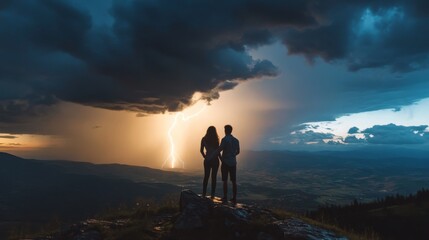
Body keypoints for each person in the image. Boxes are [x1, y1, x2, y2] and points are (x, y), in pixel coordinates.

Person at [219, 124, 240, 204]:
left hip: (225, 162)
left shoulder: (224, 140)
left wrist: (221, 159)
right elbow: (238, 151)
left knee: (225, 180)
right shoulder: (236, 140)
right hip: (233, 162)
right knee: (234, 181)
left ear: (225, 131)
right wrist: (232, 155)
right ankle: (234, 198)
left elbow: (220, 149)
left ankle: (225, 197)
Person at [200, 126, 220, 198]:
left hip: (207, 160)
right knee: (214, 178)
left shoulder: (204, 139)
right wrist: (221, 159)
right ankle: (212, 195)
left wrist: (205, 157)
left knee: (206, 177)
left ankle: (204, 194)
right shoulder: (216, 140)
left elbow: (201, 150)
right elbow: (218, 151)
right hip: (215, 160)